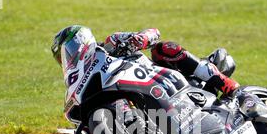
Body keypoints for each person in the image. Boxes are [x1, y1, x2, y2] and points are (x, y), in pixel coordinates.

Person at [51, 25, 240, 97]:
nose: (67, 59)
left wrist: (141, 38)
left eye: (67, 53)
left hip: (164, 79)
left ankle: (225, 83)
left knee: (163, 48)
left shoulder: (111, 43)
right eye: (63, 58)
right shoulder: (80, 82)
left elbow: (154, 32)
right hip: (146, 97)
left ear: (80, 42)